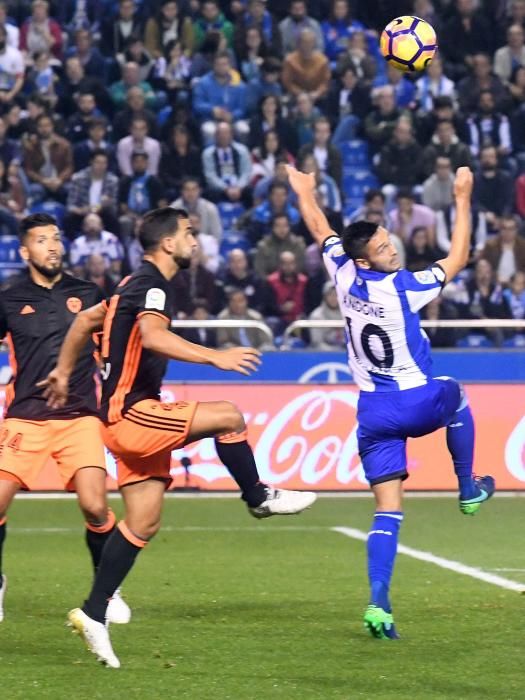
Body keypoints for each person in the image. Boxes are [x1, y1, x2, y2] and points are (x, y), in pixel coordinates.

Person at [39, 206, 316, 667]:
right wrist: (215, 357)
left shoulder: (128, 285)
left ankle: (94, 613)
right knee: (229, 416)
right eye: (189, 233)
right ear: (167, 243)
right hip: (132, 415)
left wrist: (64, 372)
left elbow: (85, 321)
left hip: (118, 419)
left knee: (143, 520)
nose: (195, 240)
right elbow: (151, 335)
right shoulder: (153, 285)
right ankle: (257, 495)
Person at [285, 163, 495, 639]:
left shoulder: (341, 270)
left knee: (387, 511)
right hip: (412, 400)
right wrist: (463, 197)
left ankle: (378, 603)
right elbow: (458, 257)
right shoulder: (403, 287)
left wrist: (303, 191)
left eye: (388, 239)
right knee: (456, 391)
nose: (391, 247)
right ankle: (467, 487)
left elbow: (321, 228)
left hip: (372, 412)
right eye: (381, 247)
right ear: (365, 260)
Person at [0, 213, 129, 626]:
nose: (52, 246)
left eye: (55, 239)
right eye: (41, 240)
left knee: (95, 506)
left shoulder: (88, 292)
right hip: (26, 417)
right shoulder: (8, 299)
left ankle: (105, 591)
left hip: (79, 418)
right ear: (25, 251)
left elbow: (111, 352)